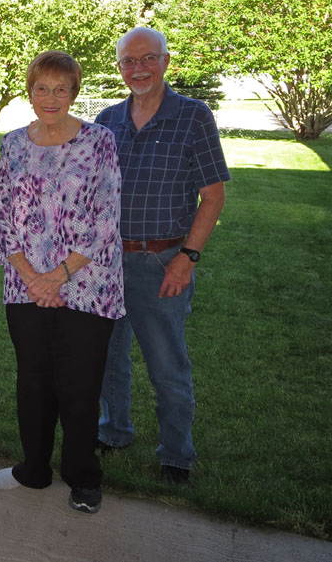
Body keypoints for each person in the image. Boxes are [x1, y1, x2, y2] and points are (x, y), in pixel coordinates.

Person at [0, 51, 124, 515]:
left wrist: (59, 275)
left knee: (79, 385)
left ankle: (83, 478)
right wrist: (32, 277)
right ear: (30, 91)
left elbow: (106, 217)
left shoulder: (99, 141)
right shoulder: (12, 144)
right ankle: (33, 469)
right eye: (42, 88)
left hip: (88, 284)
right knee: (33, 381)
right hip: (25, 285)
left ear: (74, 93)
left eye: (61, 89)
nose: (51, 98)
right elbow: (2, 216)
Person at [97, 27, 229, 486]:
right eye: (129, 61)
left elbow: (212, 196)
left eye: (148, 59)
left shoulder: (193, 116)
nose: (139, 69)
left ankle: (176, 452)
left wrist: (187, 257)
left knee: (167, 364)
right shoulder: (107, 120)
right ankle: (113, 431)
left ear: (166, 61)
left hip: (161, 263)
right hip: (107, 264)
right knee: (108, 359)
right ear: (120, 68)